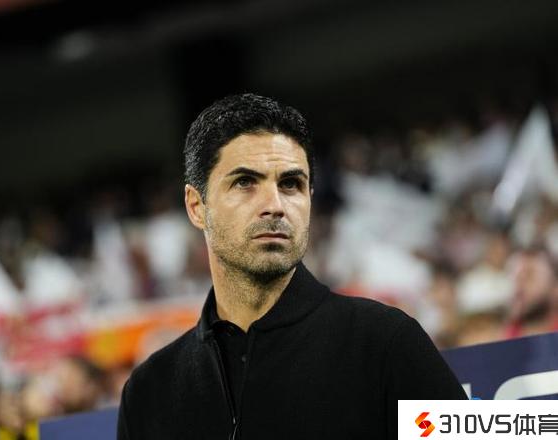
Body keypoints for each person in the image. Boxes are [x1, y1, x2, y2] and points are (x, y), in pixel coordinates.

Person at [117, 93, 466, 440]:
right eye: (245, 182)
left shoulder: (386, 342)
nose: (275, 205)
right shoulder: (148, 392)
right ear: (196, 207)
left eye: (291, 184)